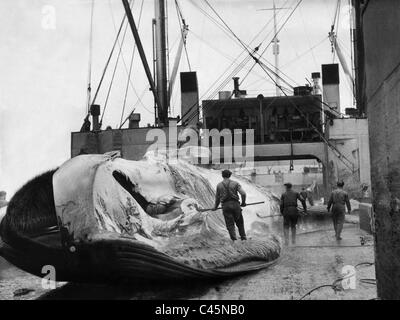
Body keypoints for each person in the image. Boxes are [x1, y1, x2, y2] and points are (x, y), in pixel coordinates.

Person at [213, 170, 247, 241]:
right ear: (230, 175)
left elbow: (217, 199)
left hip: (226, 206)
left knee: (230, 225)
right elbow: (243, 193)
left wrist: (215, 207)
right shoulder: (235, 183)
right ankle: (243, 238)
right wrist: (243, 203)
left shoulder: (219, 185)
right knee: (240, 223)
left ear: (222, 175)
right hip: (236, 205)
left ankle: (234, 241)